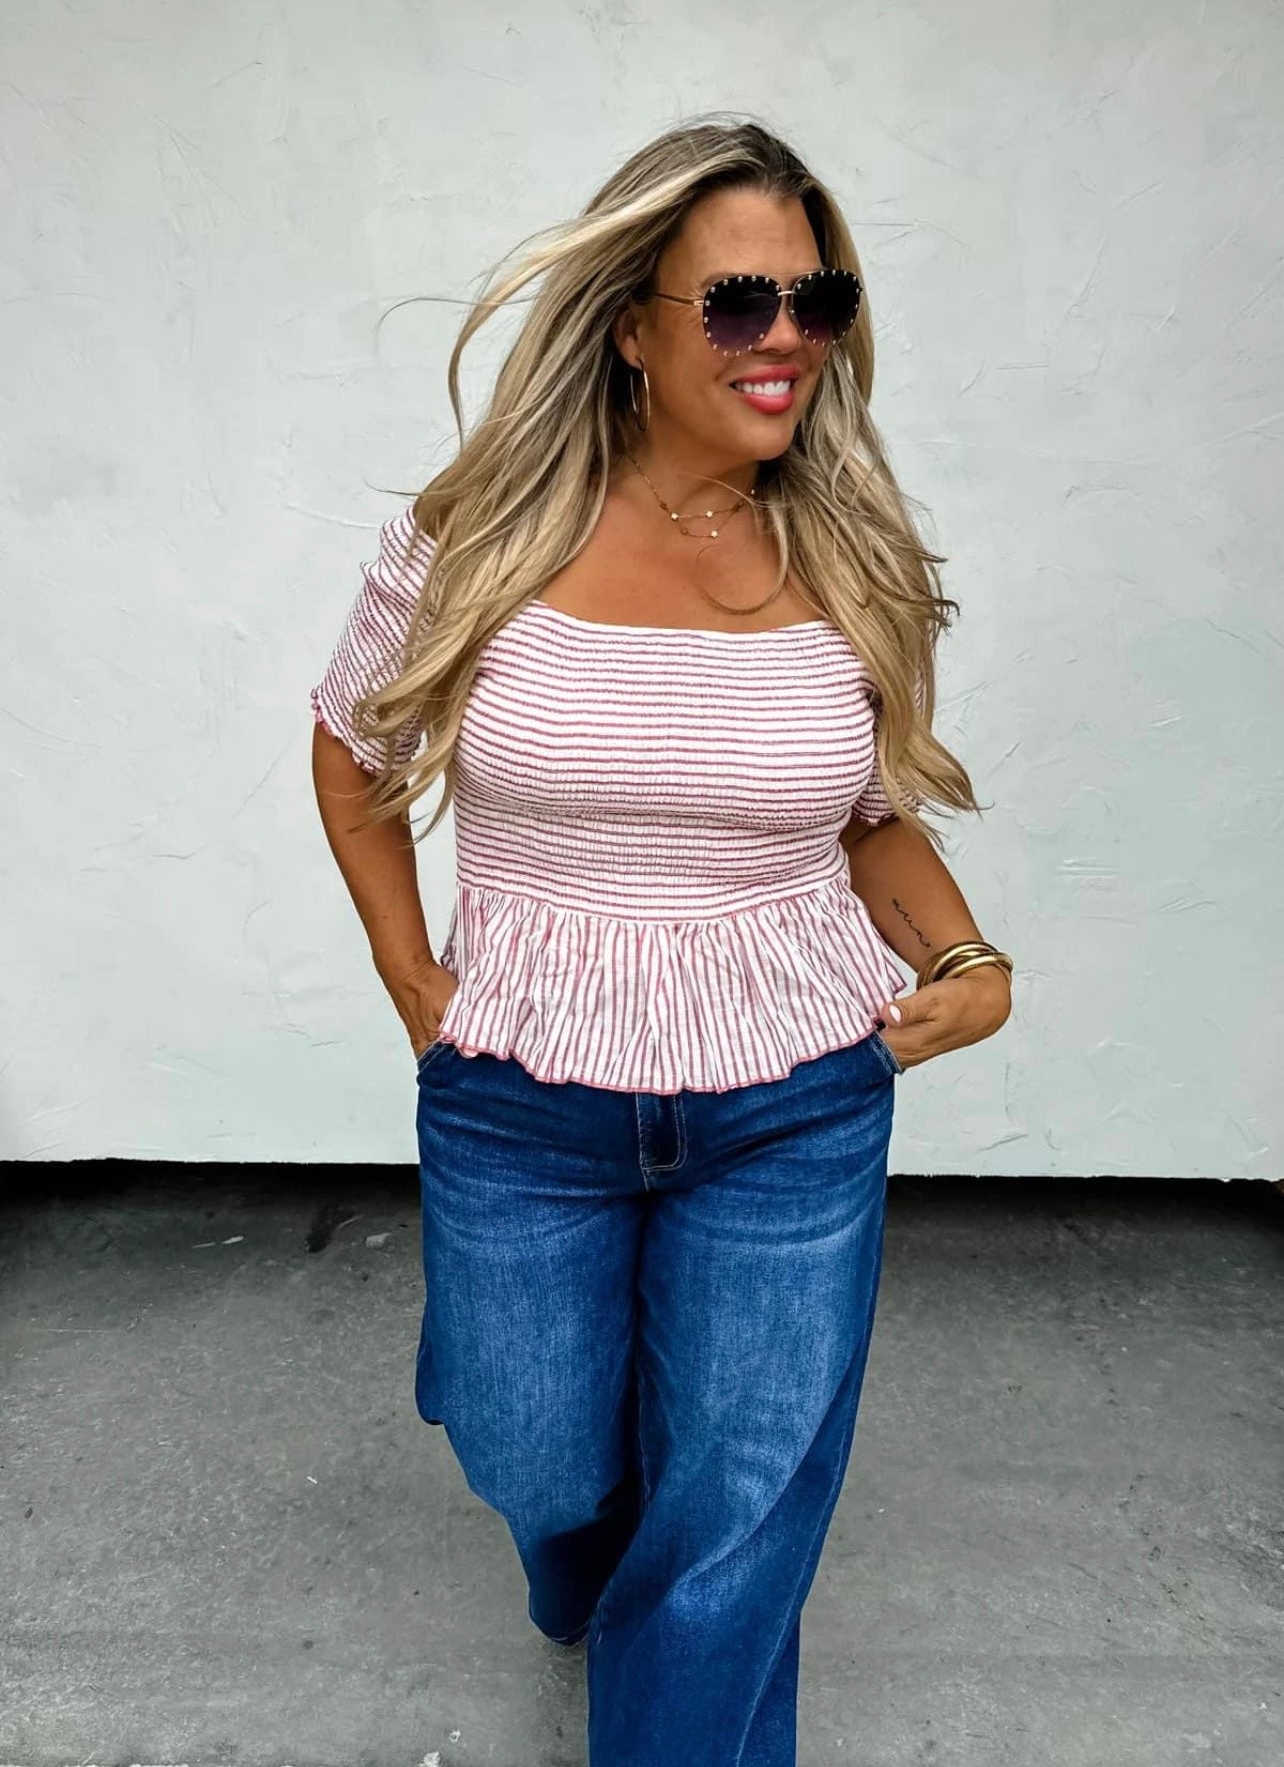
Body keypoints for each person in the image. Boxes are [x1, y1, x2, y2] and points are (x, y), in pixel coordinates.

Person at [310, 114, 1013, 1766]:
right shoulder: (476, 539)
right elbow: (353, 748)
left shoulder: (854, 558)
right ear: (632, 325)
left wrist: (966, 963)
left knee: (735, 1515)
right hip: (522, 1101)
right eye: (738, 301)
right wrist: (413, 977)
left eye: (818, 300)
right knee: (536, 1459)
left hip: (793, 1102)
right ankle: (575, 1526)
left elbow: (871, 815)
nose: (786, 339)